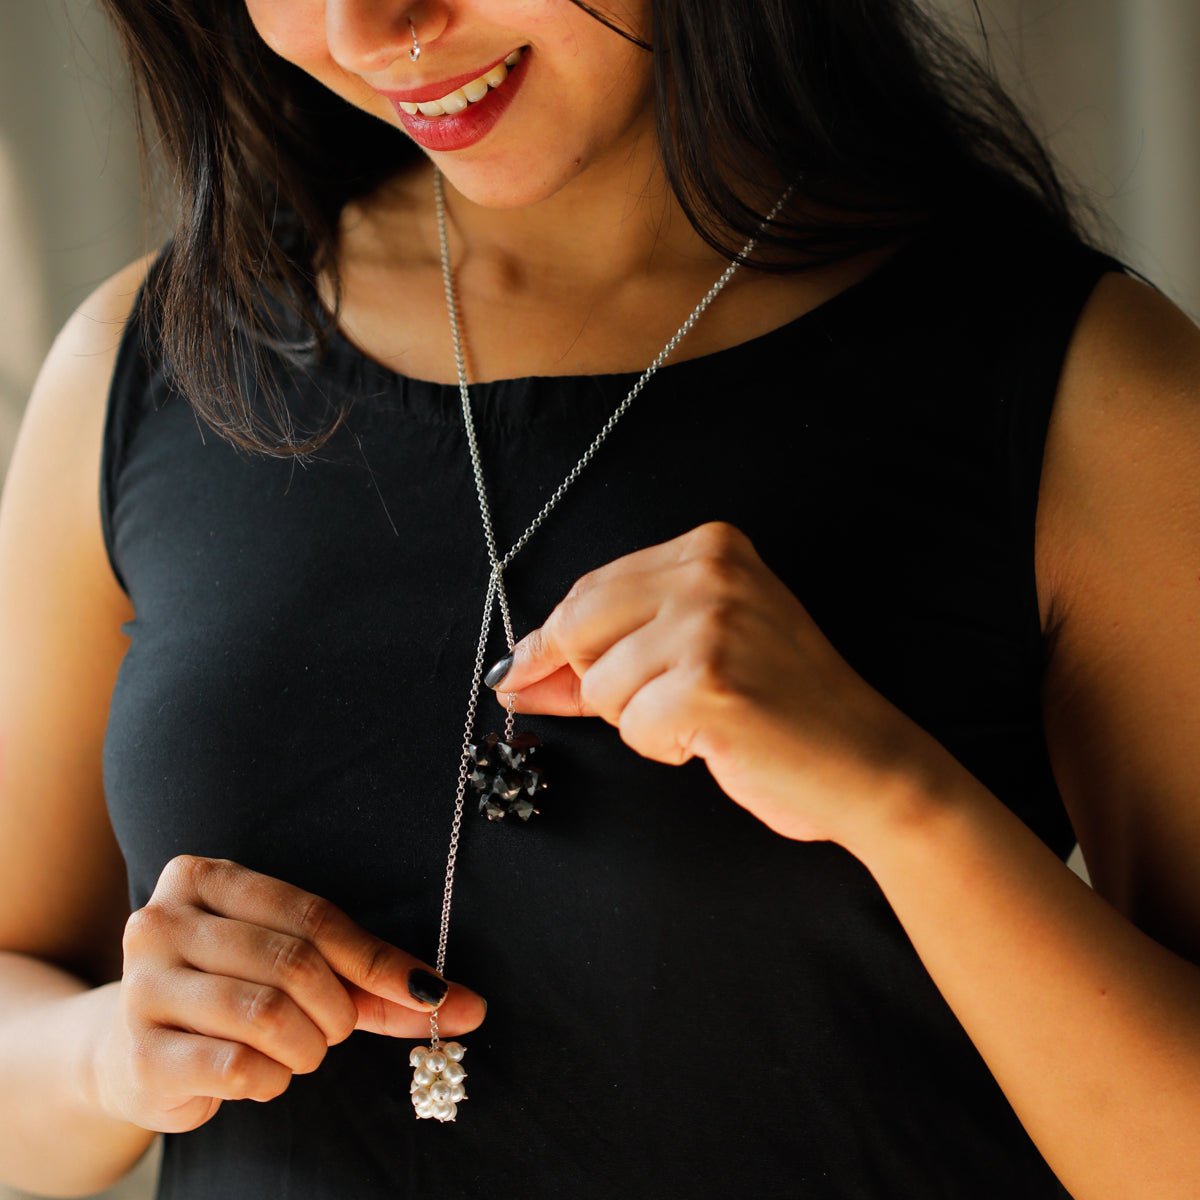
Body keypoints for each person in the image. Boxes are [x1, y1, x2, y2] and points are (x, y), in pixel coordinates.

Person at [1, 0, 1199, 1196]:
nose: (365, 30)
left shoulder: (1093, 392)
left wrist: (902, 802)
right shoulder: (145, 364)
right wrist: (108, 1055)